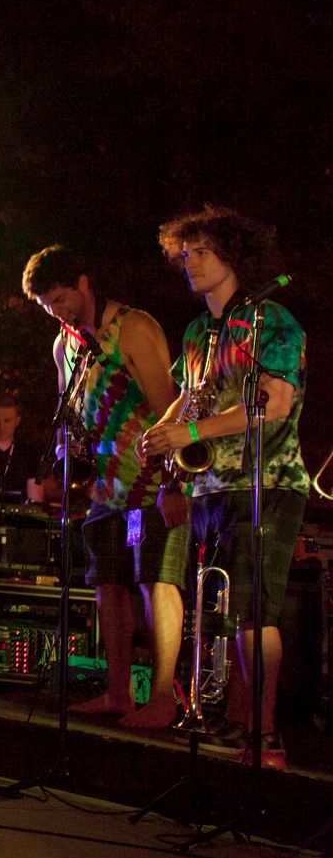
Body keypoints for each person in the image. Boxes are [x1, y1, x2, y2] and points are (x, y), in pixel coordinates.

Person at [138, 207, 307, 767]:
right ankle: (233, 721)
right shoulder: (197, 332)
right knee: (224, 611)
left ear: (233, 255)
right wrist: (162, 434)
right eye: (184, 254)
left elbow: (273, 404)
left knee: (257, 610)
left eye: (202, 252)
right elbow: (189, 397)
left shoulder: (271, 321)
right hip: (210, 485)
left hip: (268, 481)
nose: (190, 262)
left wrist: (189, 431)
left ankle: (265, 733)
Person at [24, 245, 187, 727]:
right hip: (107, 486)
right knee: (107, 586)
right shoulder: (65, 345)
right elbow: (70, 411)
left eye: (60, 299)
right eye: (46, 306)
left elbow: (172, 407)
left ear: (83, 284)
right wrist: (67, 452)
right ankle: (119, 693)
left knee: (155, 581)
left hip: (152, 478)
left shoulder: (132, 328)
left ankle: (162, 698)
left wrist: (174, 481)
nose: (56, 311)